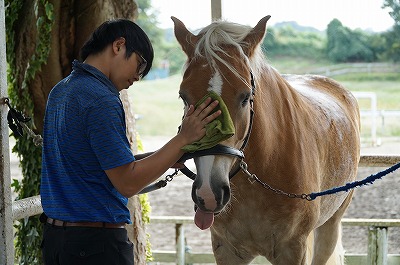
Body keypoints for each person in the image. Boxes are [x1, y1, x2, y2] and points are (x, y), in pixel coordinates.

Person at [40, 18, 221, 265]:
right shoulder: (100, 98)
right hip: (94, 246)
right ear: (119, 46)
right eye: (140, 64)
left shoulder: (60, 91)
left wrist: (165, 156)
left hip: (57, 243)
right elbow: (126, 182)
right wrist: (184, 138)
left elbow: (100, 166)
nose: (138, 77)